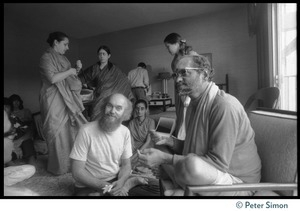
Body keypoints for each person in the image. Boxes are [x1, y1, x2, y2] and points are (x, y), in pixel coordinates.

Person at [138, 54, 261, 196]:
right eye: (175, 74)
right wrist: (172, 142)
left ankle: (176, 181)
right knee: (160, 146)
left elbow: (217, 163)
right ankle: (179, 181)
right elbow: (195, 147)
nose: (177, 79)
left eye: (184, 73)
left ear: (204, 74)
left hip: (236, 180)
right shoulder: (192, 104)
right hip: (208, 171)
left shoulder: (224, 106)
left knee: (191, 165)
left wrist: (166, 159)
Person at [70, 93, 160, 196]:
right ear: (104, 107)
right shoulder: (85, 130)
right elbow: (77, 172)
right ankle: (125, 186)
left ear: (125, 114)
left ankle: (126, 185)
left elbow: (126, 165)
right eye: (109, 106)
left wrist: (121, 182)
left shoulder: (125, 132)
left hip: (115, 179)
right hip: (89, 185)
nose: (112, 111)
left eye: (118, 108)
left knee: (157, 187)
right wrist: (107, 187)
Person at [39, 31, 87, 175]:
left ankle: (71, 164)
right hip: (52, 100)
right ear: (56, 43)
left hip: (67, 100)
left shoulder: (64, 60)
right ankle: (58, 167)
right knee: (57, 132)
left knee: (70, 131)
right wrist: (71, 70)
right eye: (65, 44)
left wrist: (76, 69)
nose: (67, 48)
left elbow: (70, 79)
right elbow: (52, 79)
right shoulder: (45, 58)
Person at [78, 45, 134, 121]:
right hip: (99, 97)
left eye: (104, 54)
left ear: (109, 55)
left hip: (111, 99)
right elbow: (82, 78)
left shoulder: (114, 70)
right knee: (95, 115)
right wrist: (78, 70)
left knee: (110, 118)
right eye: (100, 54)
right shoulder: (94, 68)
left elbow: (124, 82)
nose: (101, 56)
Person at [164, 32, 198, 140]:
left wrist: (189, 94)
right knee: (180, 114)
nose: (167, 49)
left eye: (168, 46)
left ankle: (188, 139)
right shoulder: (175, 58)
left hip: (188, 88)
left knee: (188, 113)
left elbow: (197, 73)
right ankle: (180, 139)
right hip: (179, 88)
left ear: (176, 44)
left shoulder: (191, 54)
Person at [4, 109, 38, 196]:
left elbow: (28, 132)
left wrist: (17, 142)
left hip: (14, 148)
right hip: (9, 152)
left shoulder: (14, 119)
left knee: (30, 169)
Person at [4, 97, 36, 166]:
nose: (4, 109)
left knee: (27, 140)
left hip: (17, 143)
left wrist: (20, 141)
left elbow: (29, 132)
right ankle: (11, 166)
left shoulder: (14, 118)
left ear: (10, 108)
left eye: (6, 107)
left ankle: (31, 163)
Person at [128, 98, 155, 169]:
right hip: (135, 145)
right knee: (124, 155)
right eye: (137, 108)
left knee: (142, 159)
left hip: (147, 145)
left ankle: (130, 165)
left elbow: (148, 141)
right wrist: (131, 151)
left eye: (142, 109)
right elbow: (131, 141)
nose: (139, 111)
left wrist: (137, 153)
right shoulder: (132, 123)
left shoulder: (151, 122)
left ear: (146, 110)